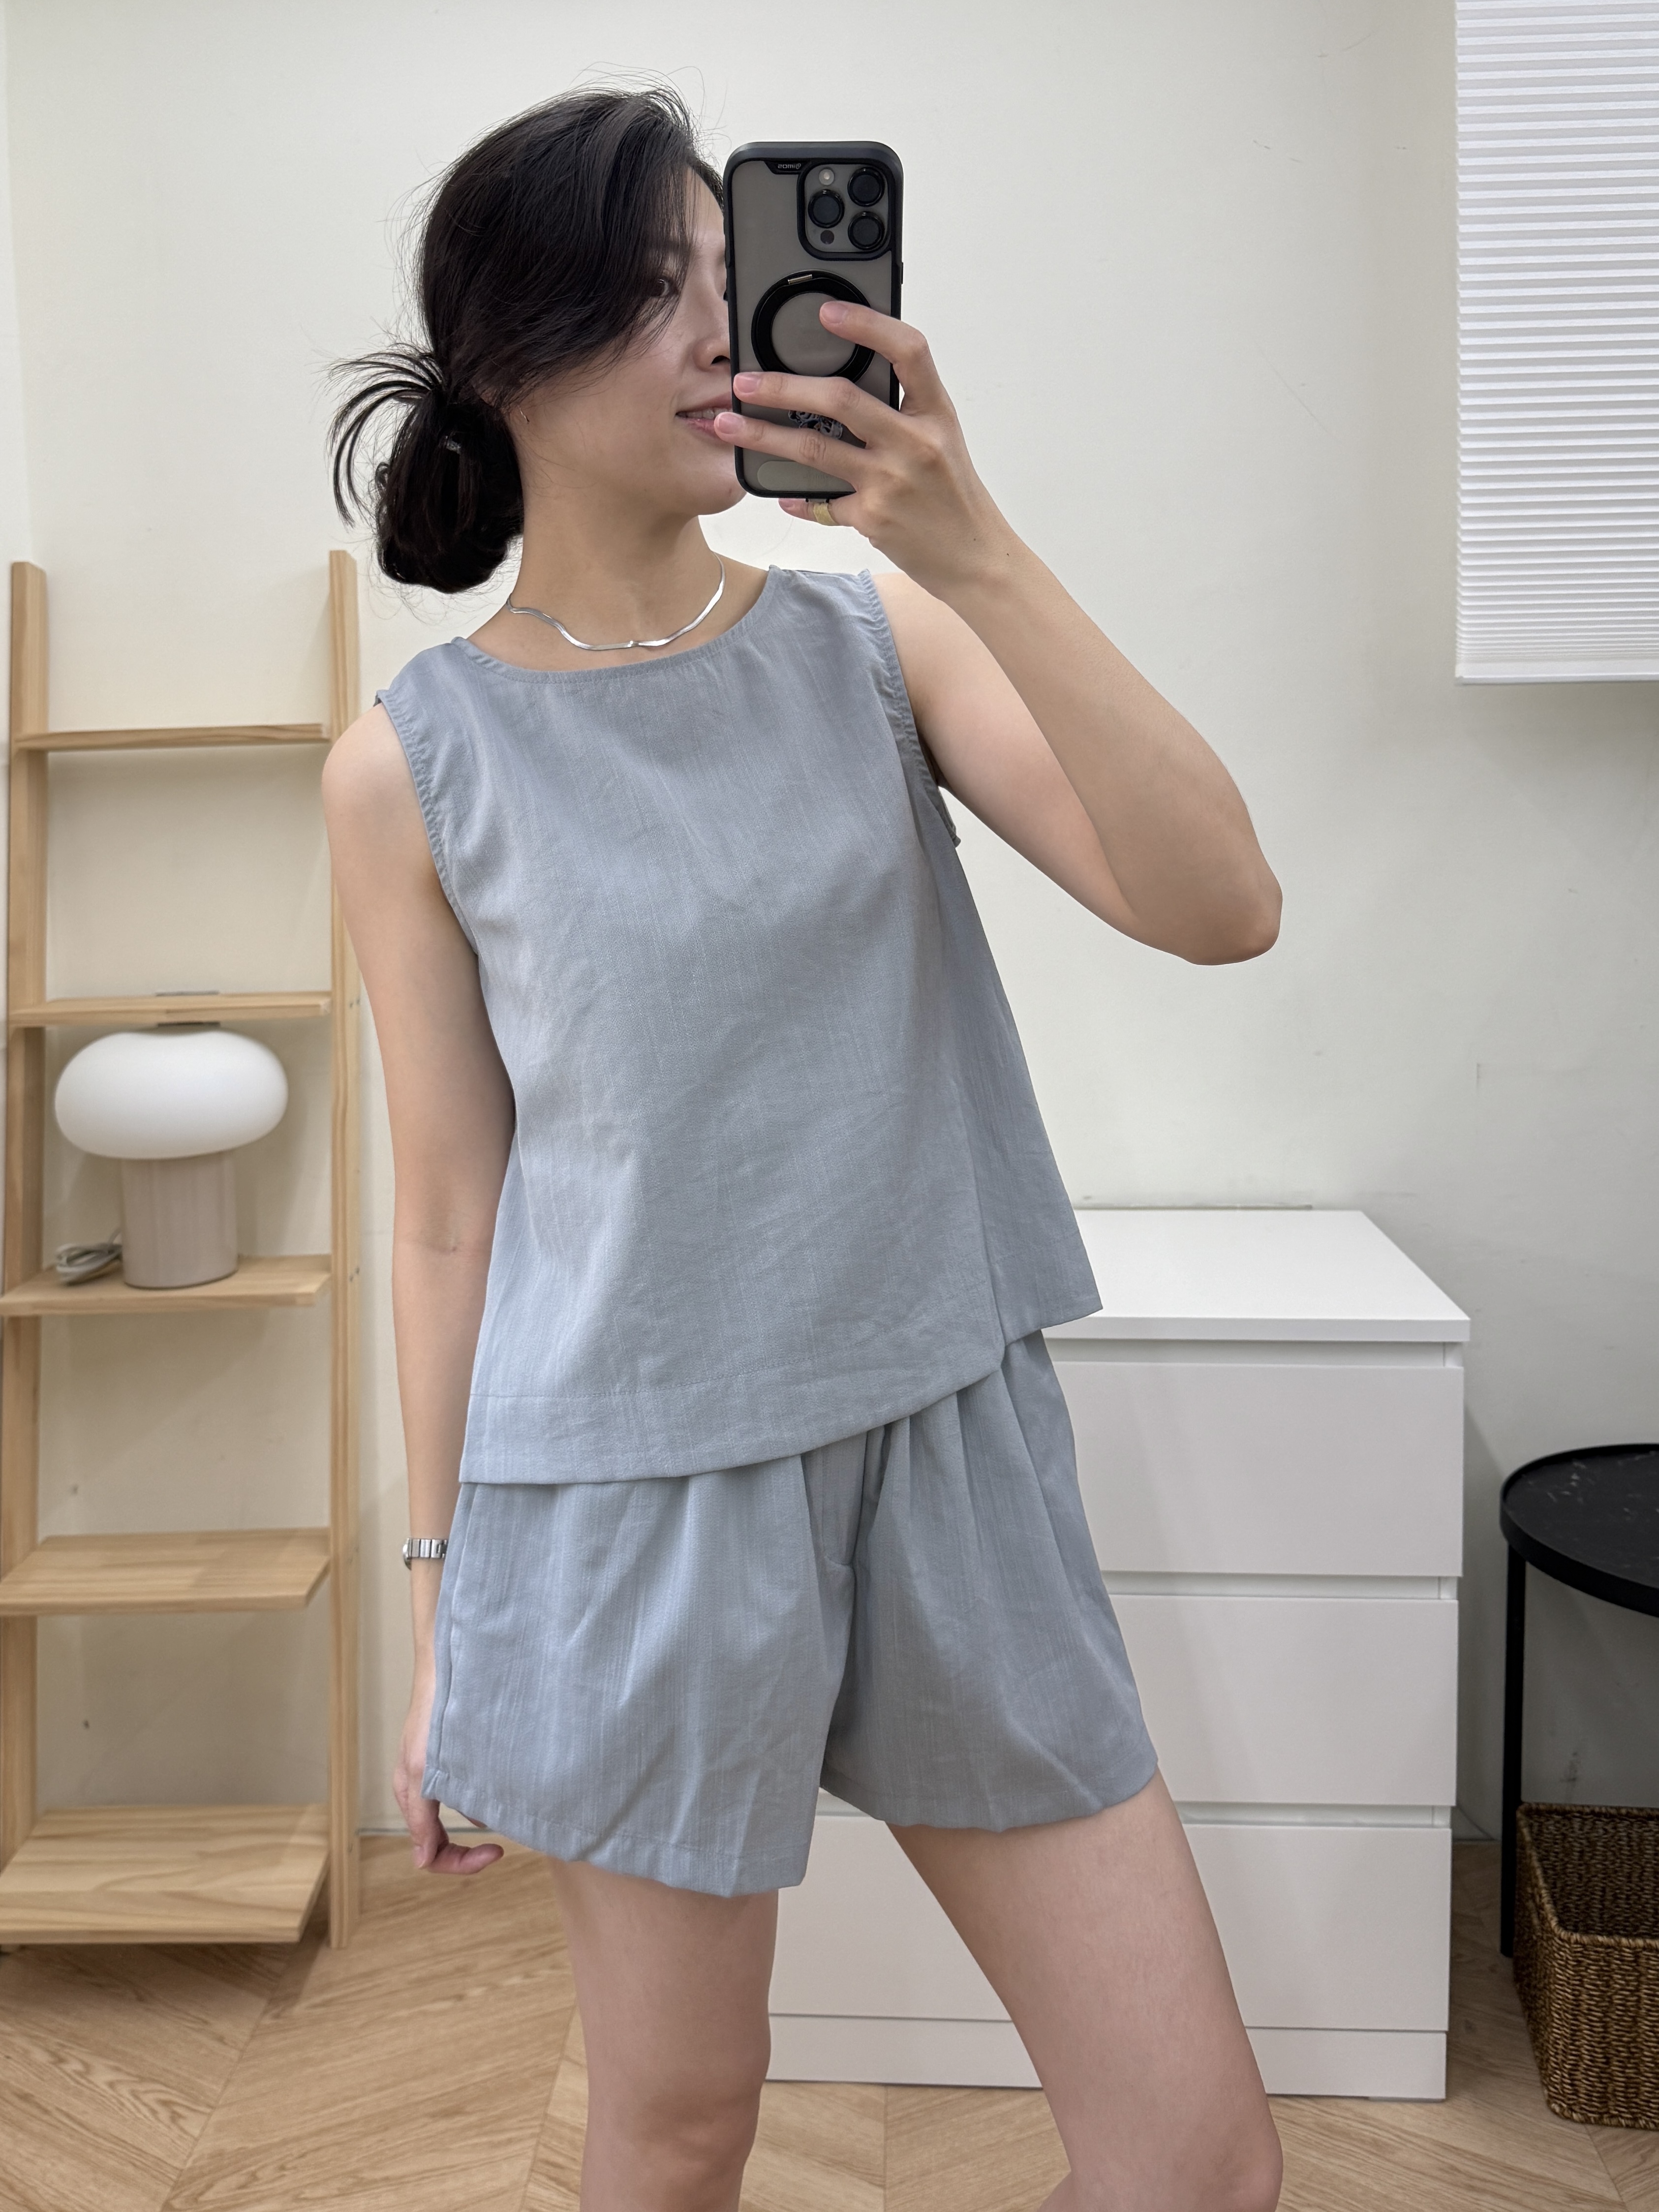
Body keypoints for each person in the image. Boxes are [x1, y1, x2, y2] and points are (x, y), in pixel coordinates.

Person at [324, 84, 1284, 2212]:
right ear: (504, 356)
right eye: (644, 288)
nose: (716, 326)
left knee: (1196, 2155)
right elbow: (450, 1216)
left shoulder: (876, 639)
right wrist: (442, 1608)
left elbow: (1225, 905)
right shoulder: (413, 766)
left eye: (726, 270)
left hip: (947, 1439)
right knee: (676, 2134)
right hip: (630, 1503)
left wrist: (970, 543)